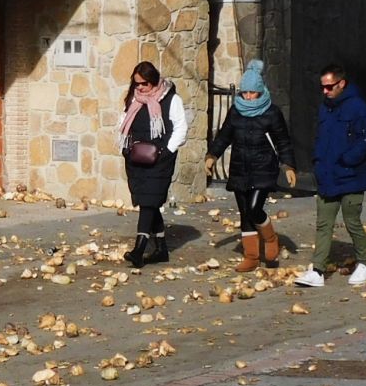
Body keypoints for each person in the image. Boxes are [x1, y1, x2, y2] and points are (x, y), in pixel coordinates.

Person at [204, 58, 296, 273]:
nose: (248, 97)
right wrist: (212, 155)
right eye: (244, 93)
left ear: (260, 91)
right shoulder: (236, 111)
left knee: (255, 209)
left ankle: (271, 238)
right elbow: (224, 135)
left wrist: (289, 165)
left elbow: (282, 140)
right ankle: (251, 257)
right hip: (240, 167)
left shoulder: (272, 112)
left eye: (252, 93)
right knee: (245, 213)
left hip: (264, 167)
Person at [300, 62, 366, 288]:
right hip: (327, 175)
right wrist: (318, 162)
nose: (325, 91)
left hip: (351, 176)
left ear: (341, 83)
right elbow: (321, 138)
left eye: (329, 87)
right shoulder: (325, 107)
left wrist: (348, 160)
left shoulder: (358, 107)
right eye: (322, 87)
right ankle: (317, 270)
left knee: (352, 221)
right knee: (324, 224)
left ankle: (364, 263)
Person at [116, 60, 187, 268]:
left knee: (149, 202)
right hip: (136, 159)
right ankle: (161, 249)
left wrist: (166, 151)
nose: (140, 87)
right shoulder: (133, 100)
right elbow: (123, 123)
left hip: (160, 160)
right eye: (136, 83)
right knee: (148, 201)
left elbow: (181, 128)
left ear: (154, 81)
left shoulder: (171, 100)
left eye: (144, 83)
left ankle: (139, 250)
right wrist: (125, 149)